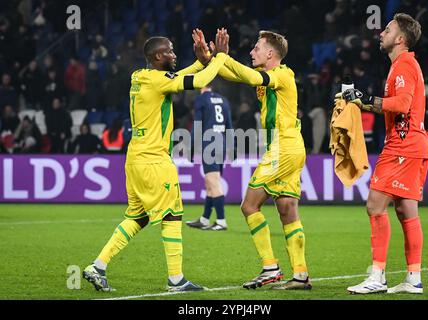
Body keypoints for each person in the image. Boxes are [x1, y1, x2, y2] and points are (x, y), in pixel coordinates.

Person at [82, 29, 230, 292]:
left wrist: (201, 62)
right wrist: (219, 58)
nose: (174, 54)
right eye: (170, 51)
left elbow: (179, 77)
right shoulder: (158, 81)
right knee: (172, 215)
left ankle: (98, 266)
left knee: (137, 217)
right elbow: (197, 83)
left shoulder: (140, 76)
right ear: (159, 55)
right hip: (154, 161)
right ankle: (176, 280)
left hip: (135, 158)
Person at [193, 28, 311, 290]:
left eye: (256, 48)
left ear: (271, 53)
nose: (251, 52)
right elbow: (234, 74)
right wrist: (212, 59)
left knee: (249, 206)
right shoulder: (267, 77)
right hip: (290, 147)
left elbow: (245, 74)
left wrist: (223, 56)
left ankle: (270, 267)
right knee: (287, 210)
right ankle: (300, 275)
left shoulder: (282, 74)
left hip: (284, 148)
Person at [340, 13, 428, 294]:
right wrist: (363, 101)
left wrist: (364, 100)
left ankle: (377, 276)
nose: (381, 33)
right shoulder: (404, 65)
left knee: (375, 205)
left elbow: (402, 104)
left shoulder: (403, 65)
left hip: (402, 146)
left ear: (400, 39)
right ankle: (413, 278)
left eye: (388, 30)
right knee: (405, 211)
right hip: (414, 144)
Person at [186, 83, 233, 231]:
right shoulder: (223, 99)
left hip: (210, 145)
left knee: (213, 182)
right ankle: (205, 219)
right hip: (221, 143)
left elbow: (198, 126)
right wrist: (232, 147)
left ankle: (221, 221)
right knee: (210, 183)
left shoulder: (201, 100)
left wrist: (191, 147)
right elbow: (229, 125)